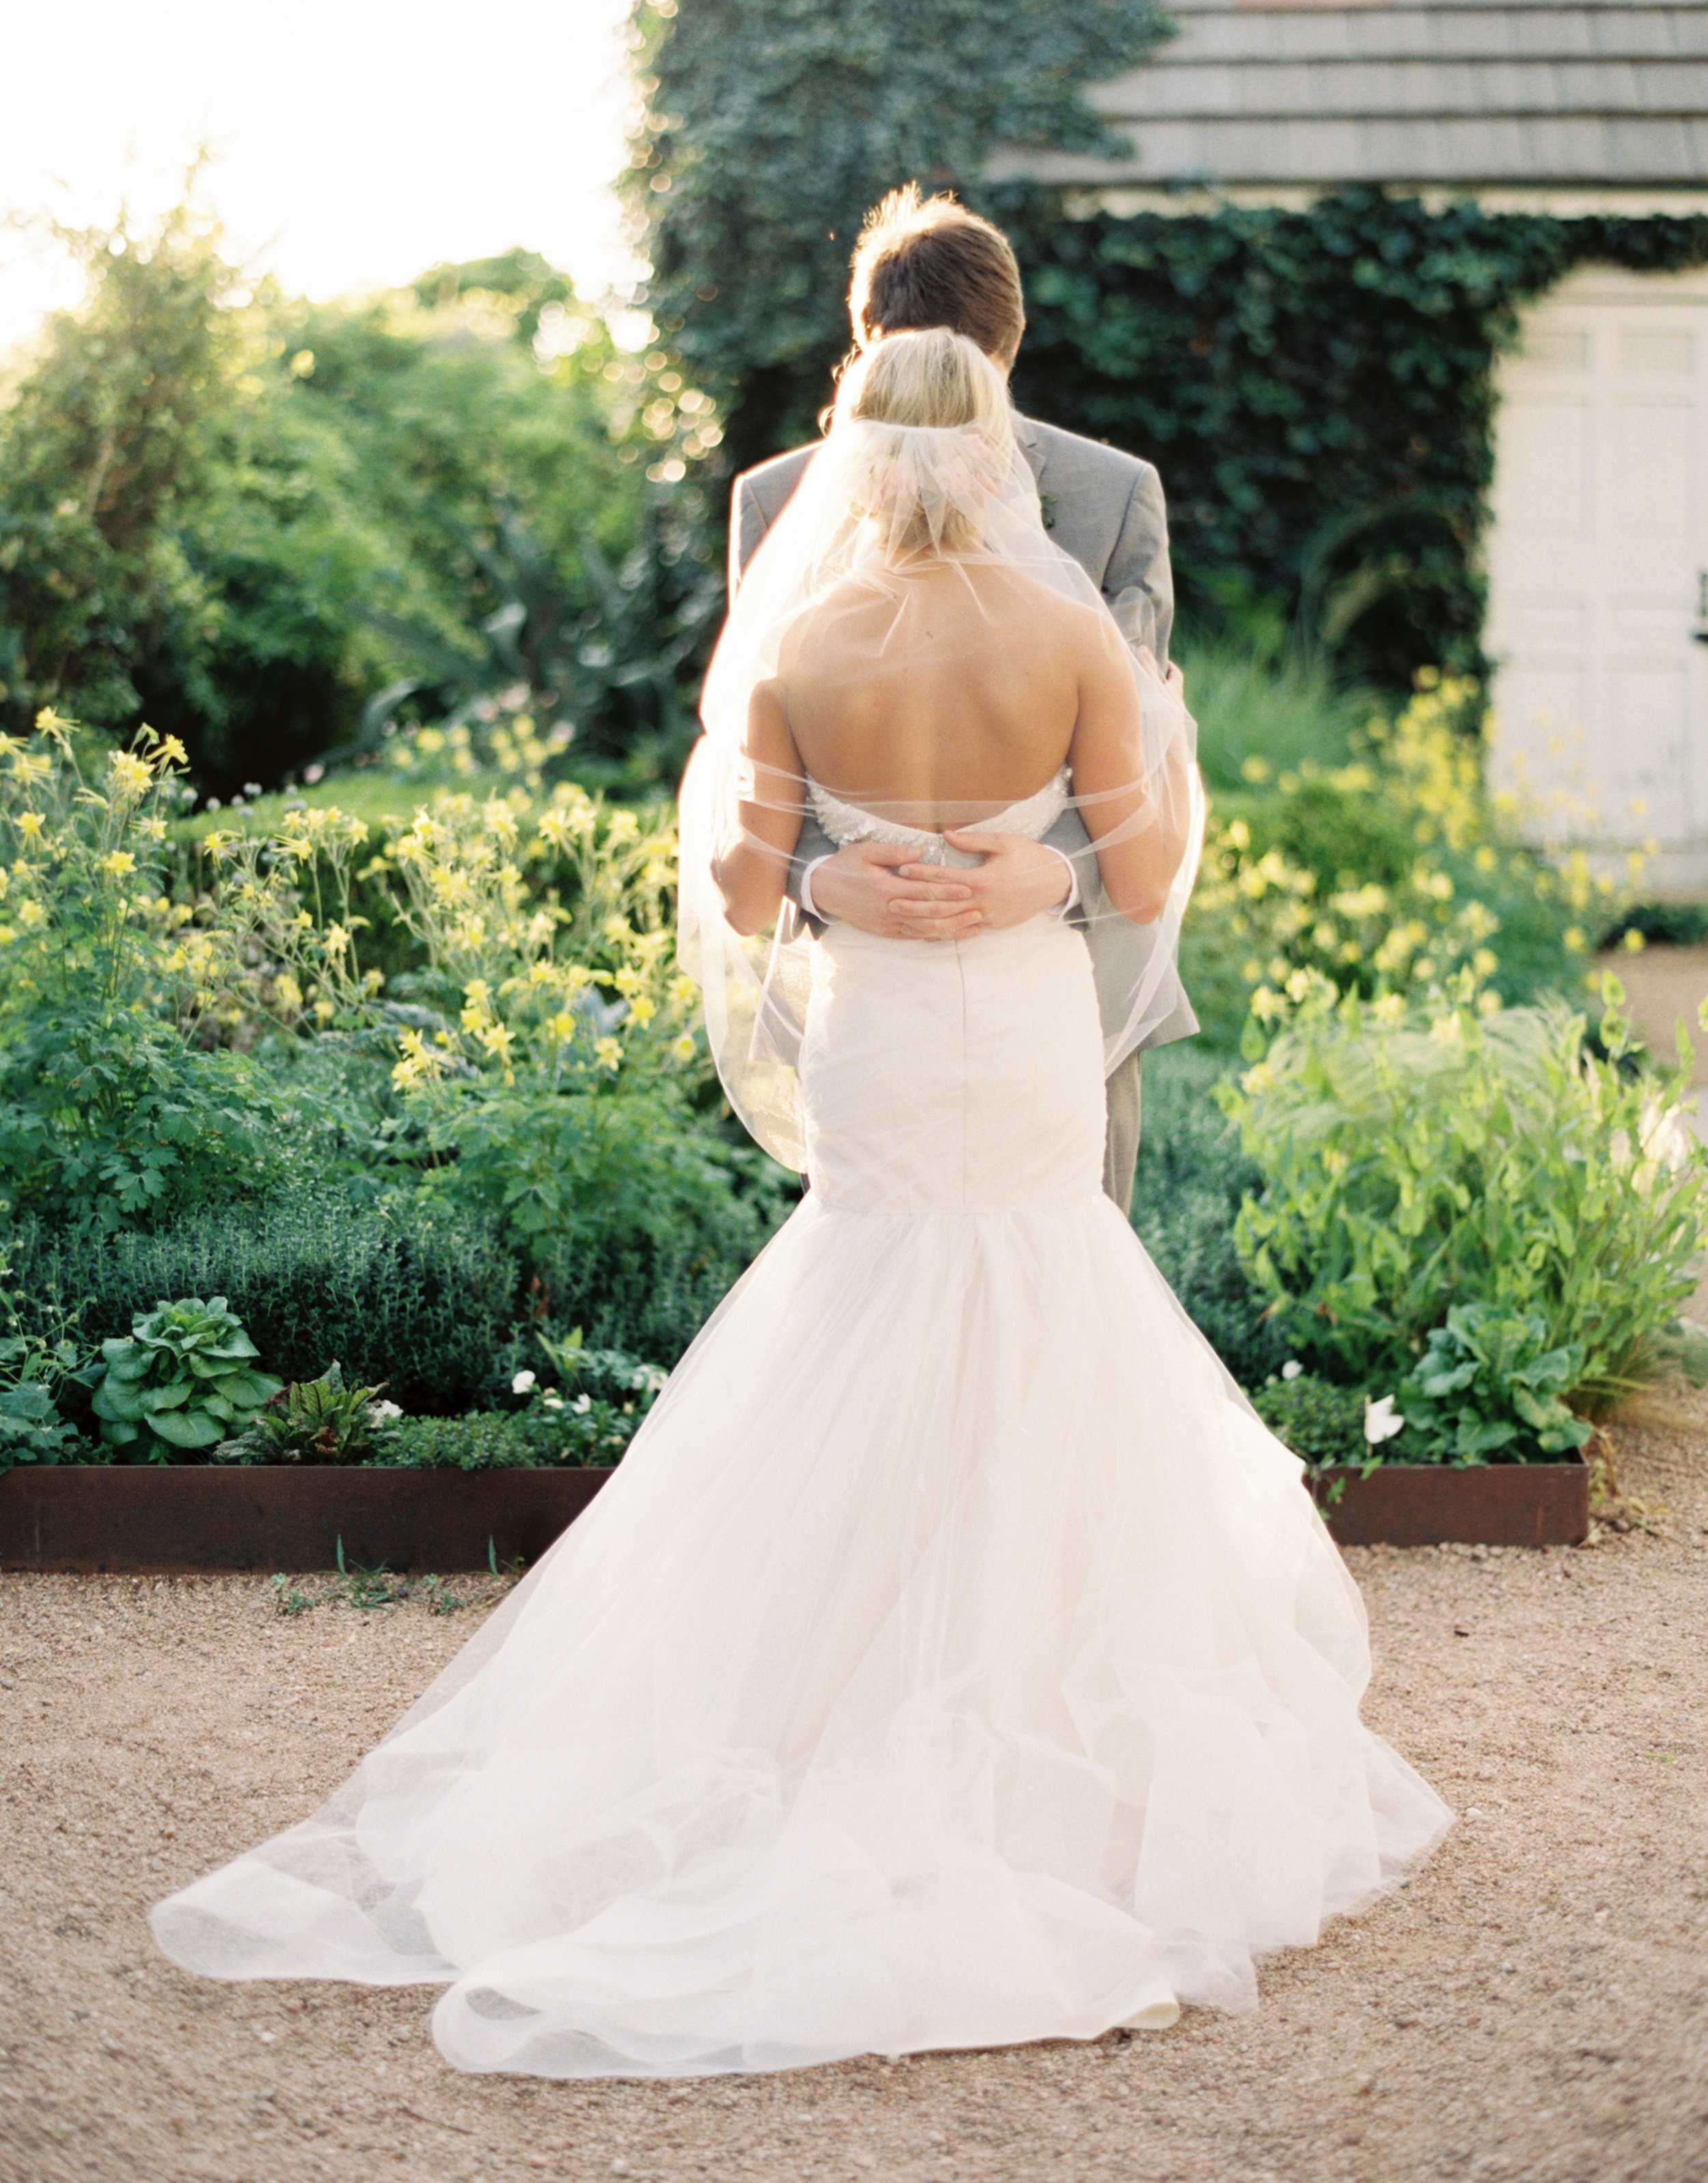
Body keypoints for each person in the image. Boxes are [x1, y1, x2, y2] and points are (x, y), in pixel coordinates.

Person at [152, 327, 1448, 2084]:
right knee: (1037, 1303)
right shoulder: (1068, 629)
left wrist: (840, 868)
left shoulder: (801, 636)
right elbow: (1141, 876)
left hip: (884, 1040)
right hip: (1013, 1022)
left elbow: (749, 885)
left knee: (864, 1299)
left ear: (849, 444)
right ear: (992, 445)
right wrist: (1034, 861)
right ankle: (1023, 1712)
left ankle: (810, 1695)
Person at [730, 186, 1196, 1211]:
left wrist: (1058, 877)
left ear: (1010, 352)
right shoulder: (777, 504)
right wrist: (819, 882)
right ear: (863, 348)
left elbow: (1122, 742)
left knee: (1063, 1283)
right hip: (870, 989)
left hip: (1063, 986)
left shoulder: (1113, 496)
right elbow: (755, 765)